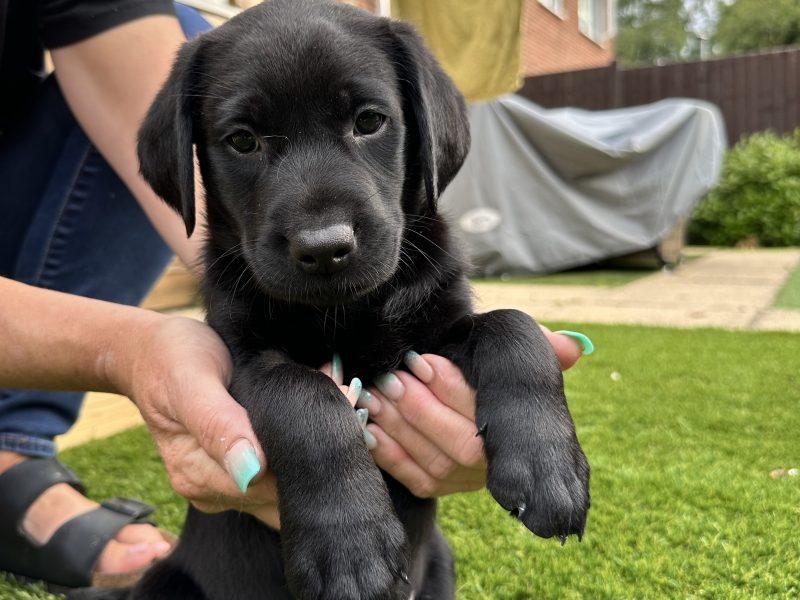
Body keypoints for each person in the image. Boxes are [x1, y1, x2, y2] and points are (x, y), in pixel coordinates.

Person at [0, 0, 593, 590]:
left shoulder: (425, 263)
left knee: (506, 345)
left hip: (413, 575)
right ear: (191, 158)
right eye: (243, 140)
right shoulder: (240, 282)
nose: (322, 232)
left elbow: (463, 342)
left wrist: (519, 364)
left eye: (368, 122)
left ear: (424, 130)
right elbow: (250, 369)